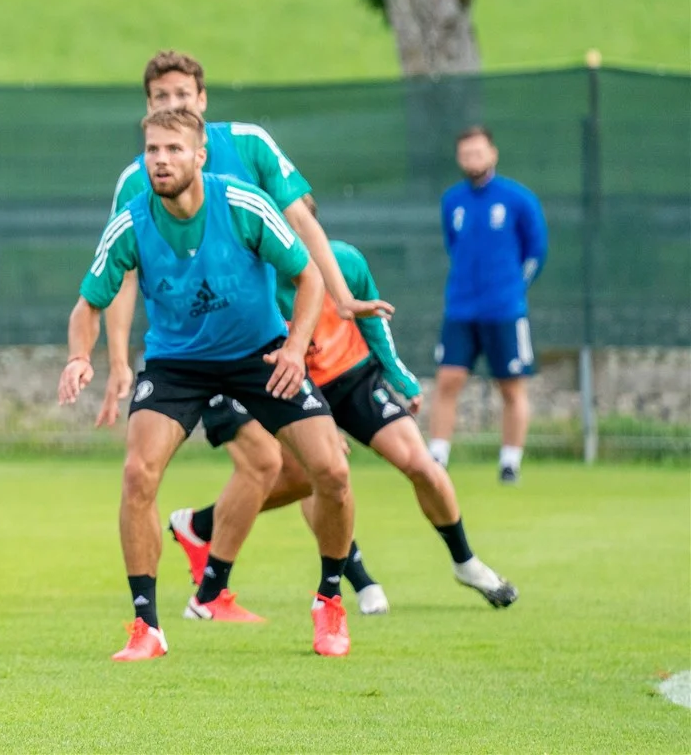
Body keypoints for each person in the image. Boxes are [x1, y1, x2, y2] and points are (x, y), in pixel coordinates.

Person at [64, 50, 390, 623]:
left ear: (202, 111)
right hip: (182, 358)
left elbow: (303, 230)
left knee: (318, 471)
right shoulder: (135, 194)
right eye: (159, 105)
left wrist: (329, 310)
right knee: (237, 466)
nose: (164, 147)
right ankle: (163, 614)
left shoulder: (246, 164)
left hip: (257, 350)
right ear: (146, 117)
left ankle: (229, 564)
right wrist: (105, 360)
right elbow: (116, 280)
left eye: (181, 99)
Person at [167, 197, 518, 615]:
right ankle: (359, 581)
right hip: (290, 383)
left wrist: (399, 376)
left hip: (352, 377)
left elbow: (371, 318)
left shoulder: (345, 262)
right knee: (316, 473)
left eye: (300, 226)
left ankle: (466, 562)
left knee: (421, 464)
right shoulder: (254, 280)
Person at [427, 126, 547, 484]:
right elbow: (453, 244)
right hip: (461, 309)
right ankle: (436, 459)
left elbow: (536, 250)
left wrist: (513, 289)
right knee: (448, 379)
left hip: (504, 311)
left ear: (492, 153)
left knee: (511, 386)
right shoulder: (452, 201)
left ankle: (510, 463)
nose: (472, 160)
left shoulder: (518, 198)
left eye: (478, 153)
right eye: (466, 154)